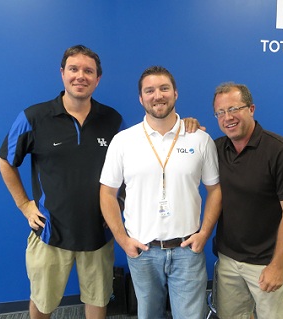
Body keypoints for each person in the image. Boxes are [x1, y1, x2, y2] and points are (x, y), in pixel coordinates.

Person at [0, 45, 201, 319]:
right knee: (43, 302)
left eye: (88, 71)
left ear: (97, 78)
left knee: (98, 300)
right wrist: (24, 204)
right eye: (74, 69)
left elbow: (135, 164)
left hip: (98, 234)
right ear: (62, 73)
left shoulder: (112, 120)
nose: (80, 76)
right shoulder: (34, 117)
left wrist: (186, 125)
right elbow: (5, 160)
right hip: (50, 232)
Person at [99, 66, 222, 319]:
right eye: (150, 90)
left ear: (175, 93)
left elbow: (215, 189)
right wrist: (123, 240)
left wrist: (205, 233)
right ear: (141, 98)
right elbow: (107, 194)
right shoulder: (123, 141)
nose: (158, 95)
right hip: (143, 251)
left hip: (188, 249)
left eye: (164, 88)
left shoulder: (199, 139)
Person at [212, 82, 283, 319]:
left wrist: (278, 266)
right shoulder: (216, 148)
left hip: (266, 262)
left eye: (234, 109)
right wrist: (188, 125)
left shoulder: (282, 153)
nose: (228, 117)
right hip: (228, 260)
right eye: (220, 112)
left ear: (251, 109)